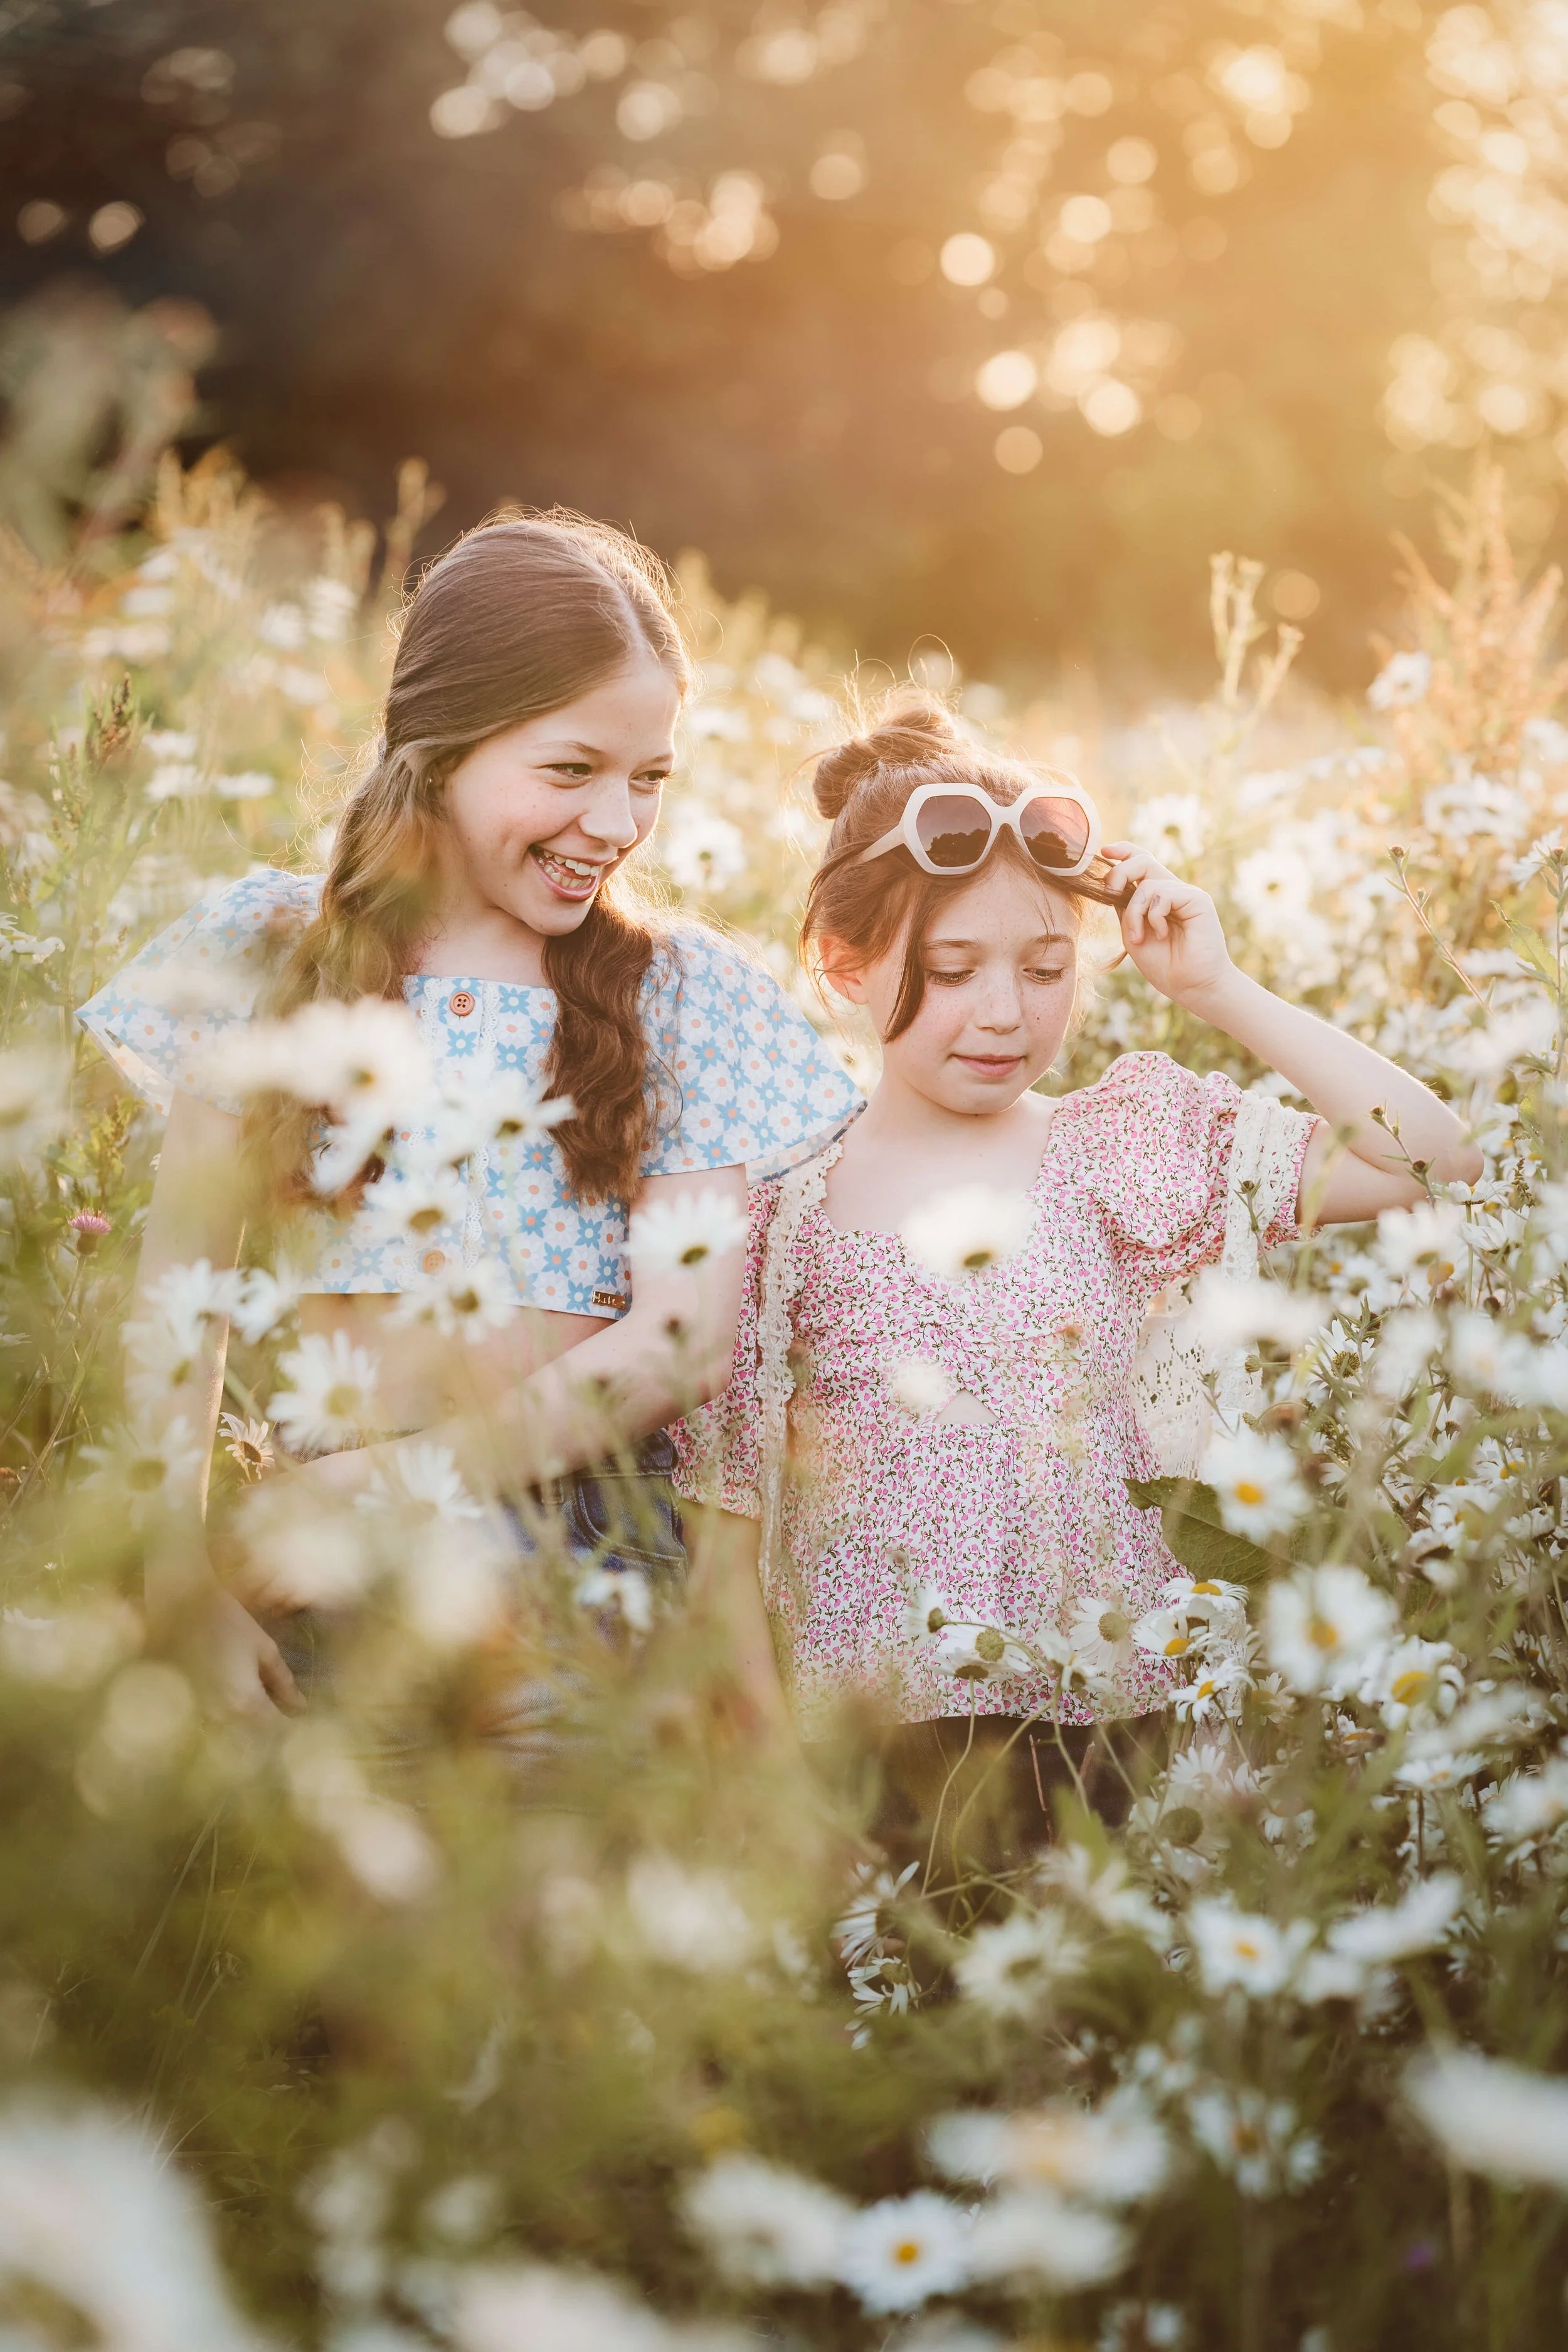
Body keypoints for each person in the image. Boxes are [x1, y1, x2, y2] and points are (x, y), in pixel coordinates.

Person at [672, 695, 1481, 1873]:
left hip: (1127, 1731)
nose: (1006, 1011)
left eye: (1047, 966)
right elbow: (722, 1545)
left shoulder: (1118, 1146)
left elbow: (1432, 1158)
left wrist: (1219, 990)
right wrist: (776, 1797)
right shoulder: (775, 1220)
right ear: (844, 963)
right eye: (953, 969)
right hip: (887, 1767)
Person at [79, 514, 859, 1724]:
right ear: (438, 748)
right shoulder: (264, 953)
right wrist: (184, 1582)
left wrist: (377, 1489)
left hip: (573, 1548)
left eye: (650, 777)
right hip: (299, 1558)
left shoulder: (678, 995)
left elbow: (681, 1338)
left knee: (533, 1897)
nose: (617, 823)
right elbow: (177, 1306)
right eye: (571, 770)